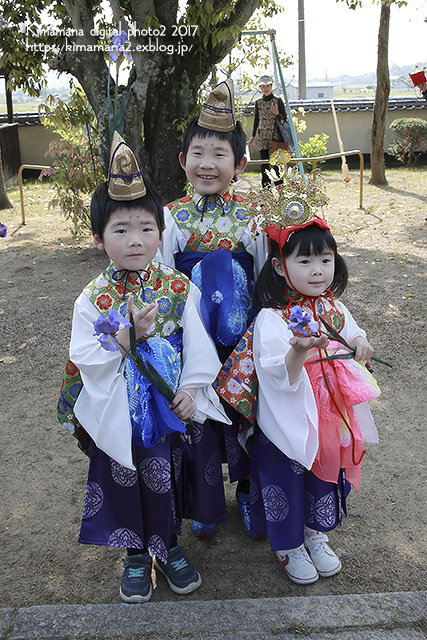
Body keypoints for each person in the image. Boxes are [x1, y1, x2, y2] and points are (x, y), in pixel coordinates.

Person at [57, 132, 230, 603]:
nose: (137, 240)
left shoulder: (176, 285)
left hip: (170, 402)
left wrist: (193, 389)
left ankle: (170, 545)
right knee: (127, 472)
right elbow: (85, 356)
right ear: (97, 239)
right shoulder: (93, 297)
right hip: (123, 408)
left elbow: (197, 343)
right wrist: (127, 340)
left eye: (147, 228)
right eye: (121, 230)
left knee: (168, 472)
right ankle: (135, 553)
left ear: (162, 230)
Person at [216, 168, 380, 585]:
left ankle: (316, 534)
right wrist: (297, 353)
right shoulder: (272, 318)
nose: (318, 269)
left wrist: (360, 342)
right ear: (278, 264)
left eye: (325, 259)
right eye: (303, 260)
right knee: (289, 472)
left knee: (326, 467)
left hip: (330, 412)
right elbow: (273, 374)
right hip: (289, 416)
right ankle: (288, 545)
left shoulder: (332, 307)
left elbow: (351, 329)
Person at [160, 78, 268, 539]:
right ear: (183, 161)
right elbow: (162, 278)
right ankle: (205, 505)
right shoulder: (169, 218)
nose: (208, 164)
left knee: (247, 414)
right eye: (198, 154)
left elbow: (265, 276)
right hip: (192, 338)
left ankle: (246, 492)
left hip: (243, 340)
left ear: (240, 164)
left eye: (220, 154)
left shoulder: (253, 216)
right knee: (200, 419)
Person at [248, 74, 288, 187]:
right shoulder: (258, 102)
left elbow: (284, 117)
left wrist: (277, 114)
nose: (265, 88)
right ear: (260, 88)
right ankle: (266, 188)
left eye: (268, 86)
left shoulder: (277, 100)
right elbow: (256, 119)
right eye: (263, 86)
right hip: (263, 134)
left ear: (271, 86)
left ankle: (279, 186)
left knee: (276, 162)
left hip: (276, 135)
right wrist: (253, 136)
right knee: (264, 163)